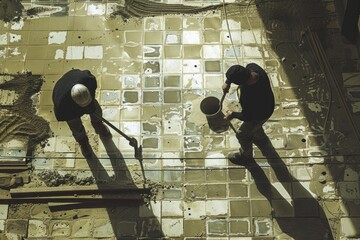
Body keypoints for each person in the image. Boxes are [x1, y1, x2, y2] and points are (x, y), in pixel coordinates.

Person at [222, 64, 275, 164]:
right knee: (255, 127)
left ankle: (246, 157)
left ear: (240, 83)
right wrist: (227, 82)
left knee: (242, 134)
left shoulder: (249, 95)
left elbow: (247, 116)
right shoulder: (254, 68)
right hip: (268, 105)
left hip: (260, 114)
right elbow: (238, 72)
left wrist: (232, 114)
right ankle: (259, 136)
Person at [52, 69, 111, 157]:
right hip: (69, 109)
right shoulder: (62, 106)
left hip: (77, 85)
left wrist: (90, 106)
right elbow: (63, 116)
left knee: (96, 110)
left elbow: (92, 91)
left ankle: (98, 125)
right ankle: (83, 144)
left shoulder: (88, 80)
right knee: (76, 127)